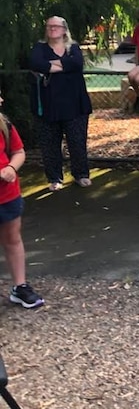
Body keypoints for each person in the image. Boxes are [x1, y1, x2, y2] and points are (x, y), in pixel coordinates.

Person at [29, 16, 93, 191]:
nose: (52, 29)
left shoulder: (73, 48)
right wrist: (65, 66)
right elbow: (35, 63)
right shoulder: (39, 48)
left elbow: (77, 63)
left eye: (56, 26)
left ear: (64, 29)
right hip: (48, 105)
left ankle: (81, 174)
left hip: (75, 104)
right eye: (49, 26)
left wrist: (49, 65)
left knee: (77, 141)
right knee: (49, 144)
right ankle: (55, 177)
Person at [0, 91, 44, 308]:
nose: (1, 98)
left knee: (12, 238)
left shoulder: (4, 125)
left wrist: (11, 168)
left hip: (7, 194)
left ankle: (20, 286)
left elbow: (18, 151)